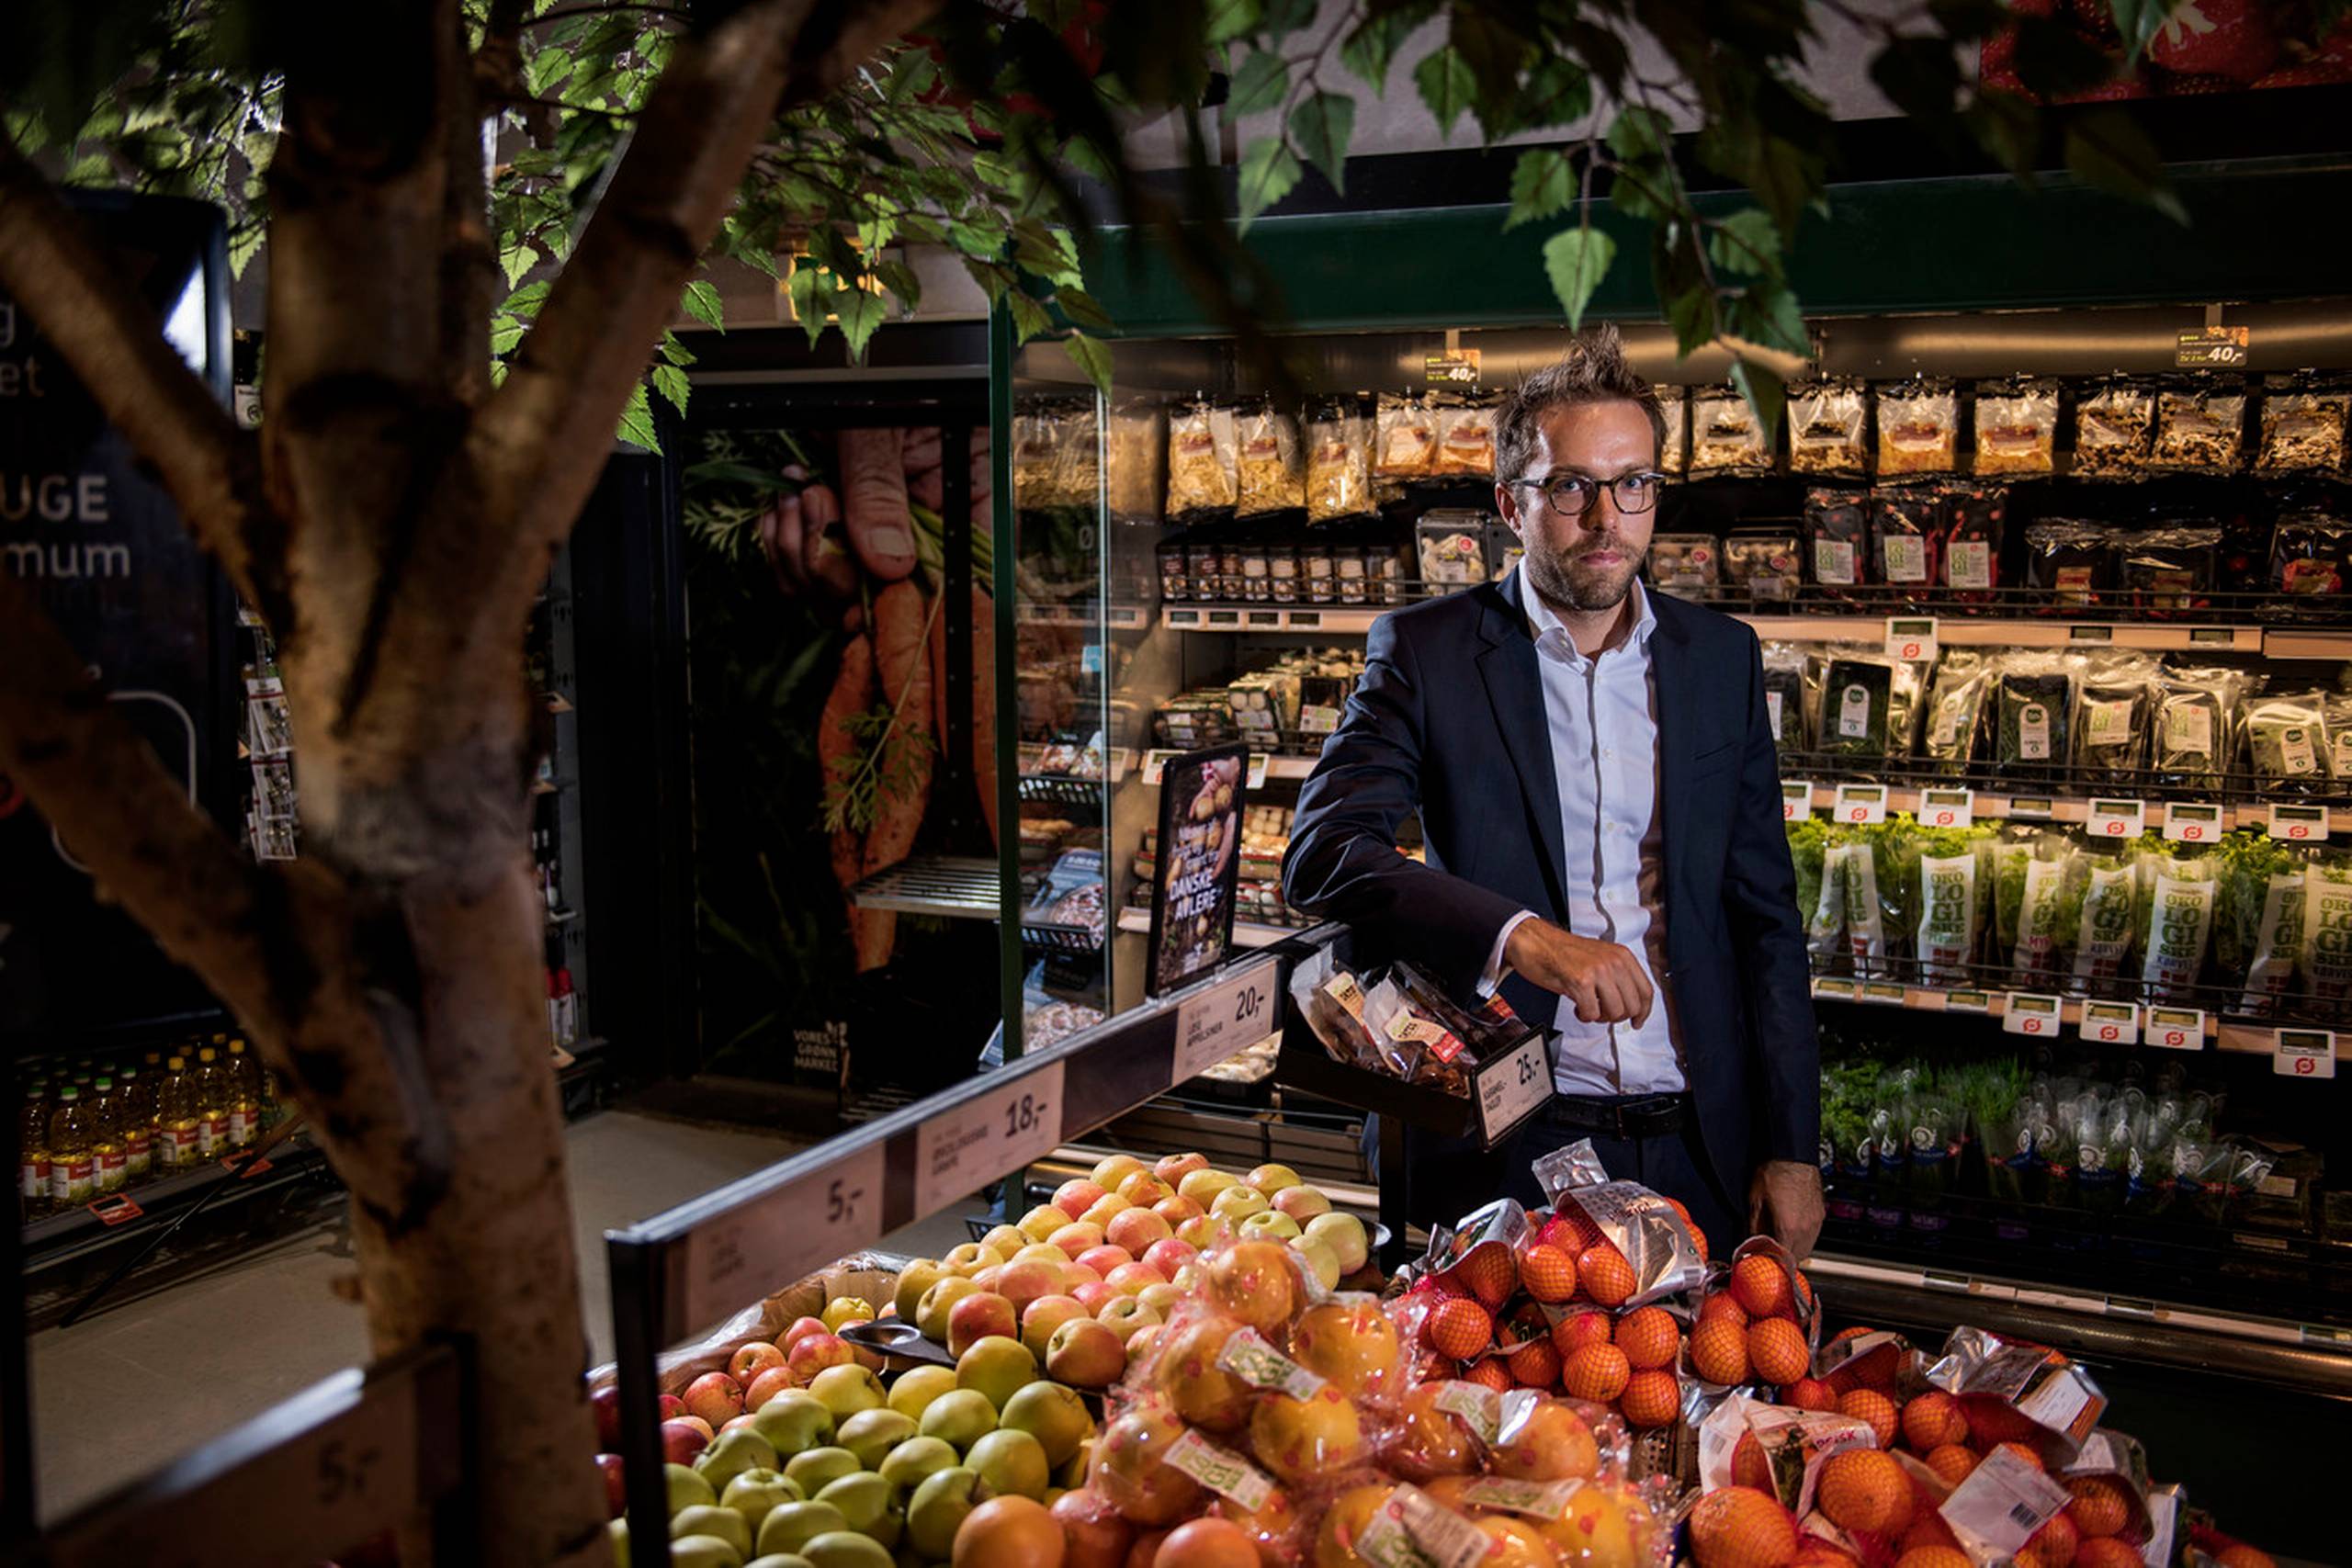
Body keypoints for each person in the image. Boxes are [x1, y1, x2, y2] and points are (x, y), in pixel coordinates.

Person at [1281, 326, 1823, 1259]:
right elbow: (1324, 851)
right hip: (1508, 1138)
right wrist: (1523, 939)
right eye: (1570, 486)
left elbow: (1764, 916)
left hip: (1700, 1142)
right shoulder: (1429, 652)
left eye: (1634, 484)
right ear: (1510, 503)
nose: (1606, 518)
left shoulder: (1717, 656)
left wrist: (1789, 1146)